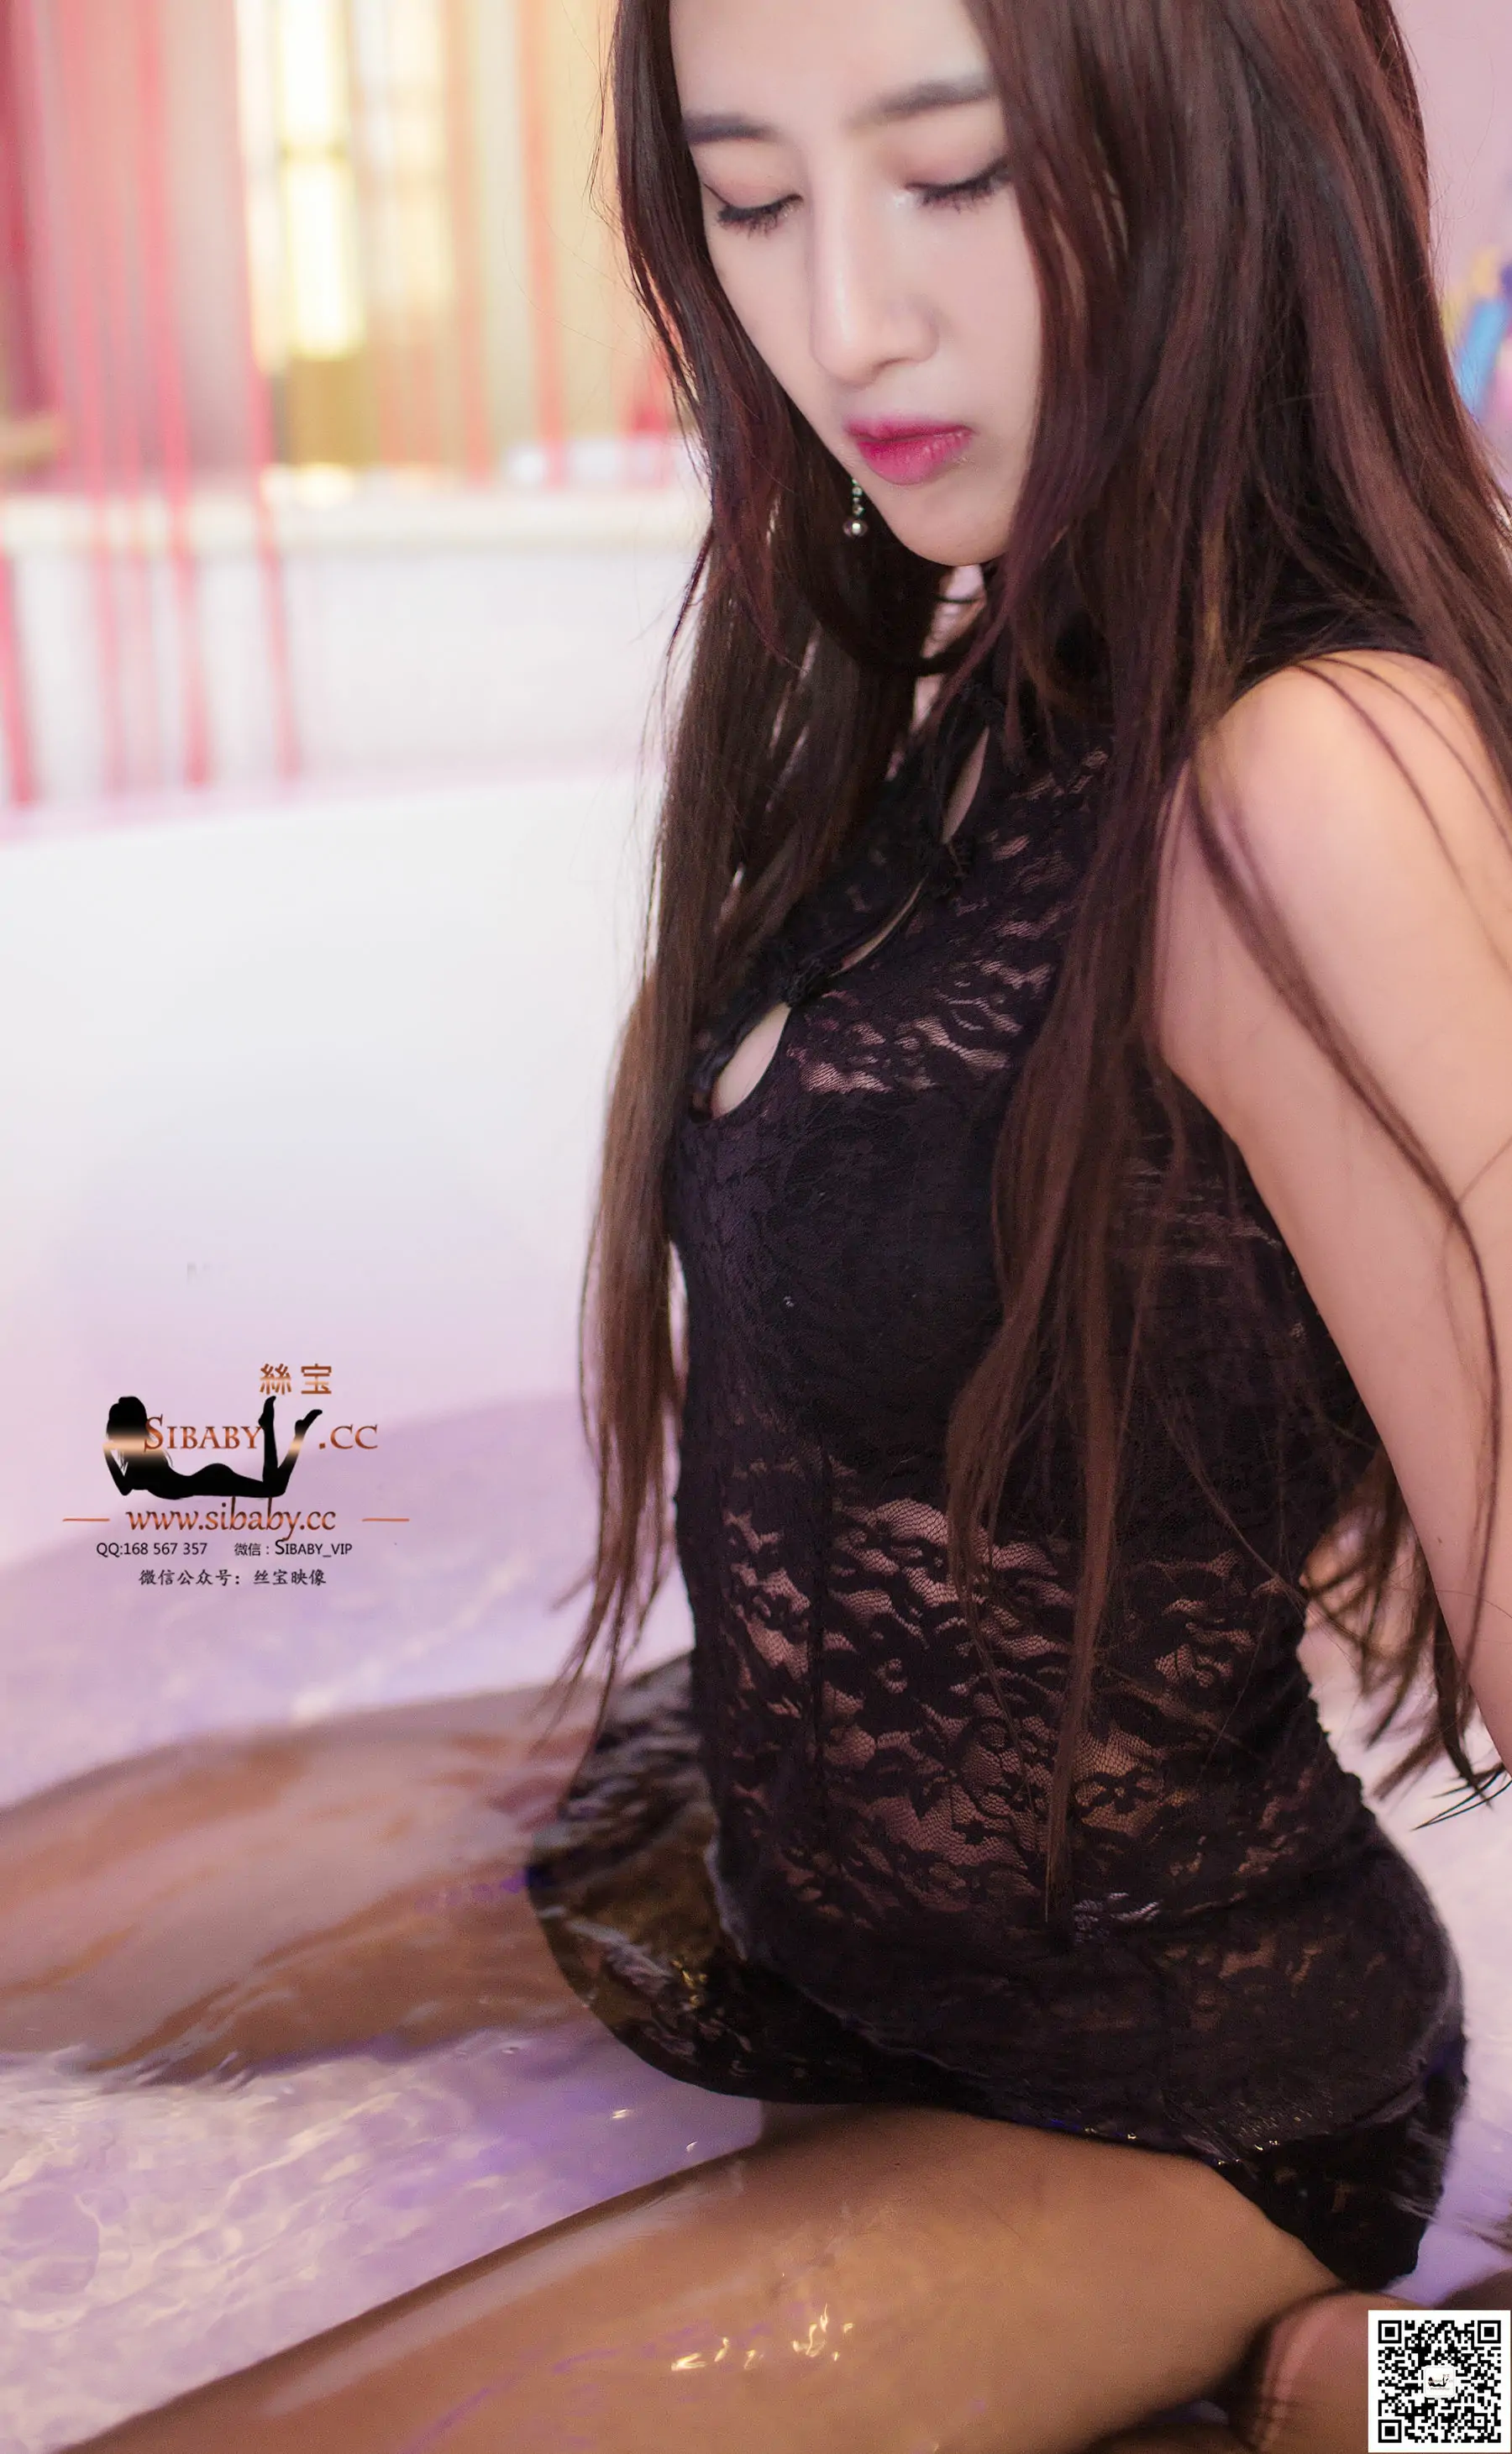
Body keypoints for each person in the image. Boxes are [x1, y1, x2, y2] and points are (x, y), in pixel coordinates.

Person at [9, 0, 1512, 2445]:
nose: (845, 323)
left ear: (1232, 147)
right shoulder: (983, 659)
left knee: (1393, 2406)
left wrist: (1475, 2372)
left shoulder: (1317, 776)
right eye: (754, 196)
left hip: (1159, 2097)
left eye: (954, 175)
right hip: (741, 1830)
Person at [102, 1394, 322, 1502]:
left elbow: (124, 1489)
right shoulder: (144, 1455)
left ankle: (288, 1432)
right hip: (209, 1479)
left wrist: (108, 1455)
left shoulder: (140, 1461)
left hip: (209, 1480)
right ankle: (278, 1429)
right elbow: (128, 1487)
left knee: (274, 1489)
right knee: (273, 1487)